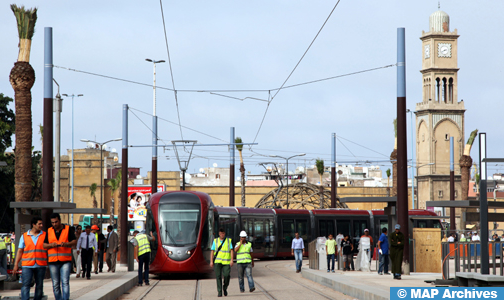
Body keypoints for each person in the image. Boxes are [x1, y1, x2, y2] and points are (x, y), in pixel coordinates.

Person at [44, 213, 77, 300]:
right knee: (55, 284)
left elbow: (74, 241)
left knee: (65, 282)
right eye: (53, 222)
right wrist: (51, 245)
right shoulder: (49, 231)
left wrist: (66, 244)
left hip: (65, 260)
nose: (54, 224)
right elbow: (44, 245)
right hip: (53, 261)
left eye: (56, 222)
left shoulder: (68, 229)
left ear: (60, 221)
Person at [12, 217, 47, 300]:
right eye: (39, 224)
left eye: (42, 224)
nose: (41, 225)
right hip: (27, 265)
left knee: (39, 286)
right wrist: (16, 264)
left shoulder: (45, 235)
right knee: (26, 285)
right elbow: (20, 251)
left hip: (40, 265)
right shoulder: (24, 236)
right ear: (33, 224)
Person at [210, 228, 234, 297]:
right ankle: (219, 292)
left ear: (225, 233)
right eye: (221, 234)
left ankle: (225, 287)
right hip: (217, 262)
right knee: (218, 277)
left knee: (227, 275)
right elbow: (212, 251)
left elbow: (231, 250)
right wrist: (211, 261)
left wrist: (232, 260)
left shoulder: (228, 241)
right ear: (219, 234)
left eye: (223, 233)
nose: (222, 235)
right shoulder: (216, 241)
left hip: (226, 262)